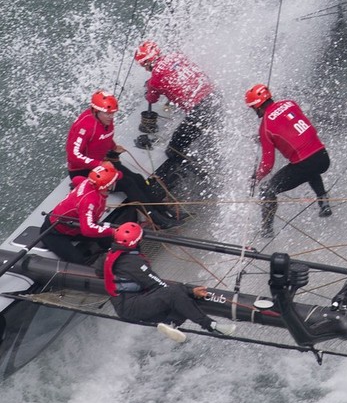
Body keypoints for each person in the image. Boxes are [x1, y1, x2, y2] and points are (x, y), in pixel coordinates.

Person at [102, 222, 236, 342]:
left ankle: (170, 323)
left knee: (177, 295)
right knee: (175, 293)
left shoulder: (111, 254)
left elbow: (99, 270)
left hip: (125, 303)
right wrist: (190, 291)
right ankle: (211, 325)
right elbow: (157, 284)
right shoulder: (134, 262)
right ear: (136, 242)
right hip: (131, 306)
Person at [66, 90, 180, 229]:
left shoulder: (105, 120)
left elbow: (104, 136)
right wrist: (99, 163)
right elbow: (73, 156)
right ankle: (156, 219)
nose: (111, 116)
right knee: (128, 183)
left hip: (102, 165)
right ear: (96, 111)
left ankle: (164, 211)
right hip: (85, 171)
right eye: (108, 113)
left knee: (137, 178)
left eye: (113, 113)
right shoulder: (84, 127)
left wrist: (113, 147)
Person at [245, 83, 331, 237]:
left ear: (257, 107)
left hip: (306, 164)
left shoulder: (265, 127)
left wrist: (256, 177)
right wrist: (264, 139)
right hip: (323, 157)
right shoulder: (290, 103)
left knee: (266, 190)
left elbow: (267, 164)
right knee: (310, 167)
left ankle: (266, 231)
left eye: (252, 108)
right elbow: (287, 126)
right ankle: (324, 203)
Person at [134, 41, 219, 191]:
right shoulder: (177, 56)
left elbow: (151, 98)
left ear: (148, 62)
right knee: (211, 134)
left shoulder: (155, 79)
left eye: (144, 65)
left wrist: (149, 88)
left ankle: (205, 178)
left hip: (201, 111)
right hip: (214, 97)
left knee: (173, 149)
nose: (145, 68)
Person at [41, 161, 123, 266]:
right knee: (78, 261)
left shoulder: (88, 182)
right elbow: (88, 229)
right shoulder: (90, 201)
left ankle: (117, 259)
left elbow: (76, 179)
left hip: (74, 227)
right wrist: (113, 231)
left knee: (108, 239)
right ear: (107, 187)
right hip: (54, 232)